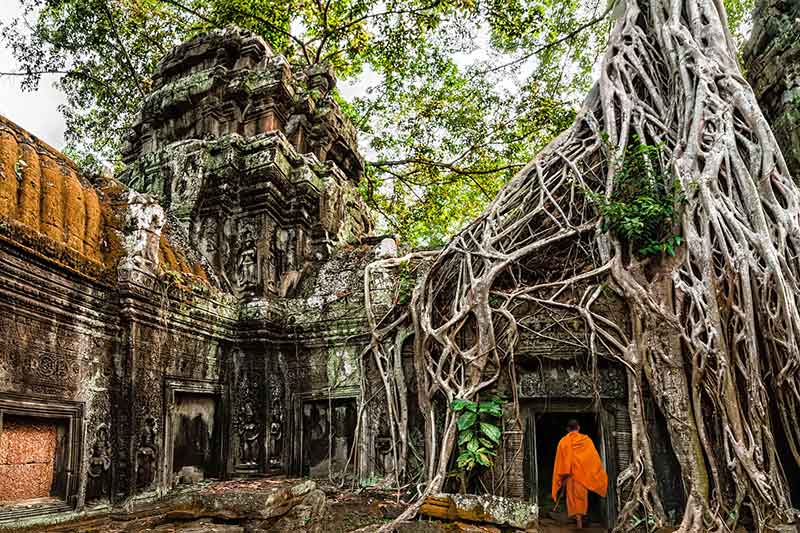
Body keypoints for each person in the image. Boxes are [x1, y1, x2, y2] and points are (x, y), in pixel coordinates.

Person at [552, 419, 608, 529]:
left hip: (570, 476)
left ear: (568, 429)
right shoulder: (586, 441)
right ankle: (580, 521)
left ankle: (578, 521)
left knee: (572, 498)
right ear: (578, 427)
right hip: (582, 475)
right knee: (581, 498)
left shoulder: (563, 441)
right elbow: (593, 459)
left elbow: (560, 461)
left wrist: (561, 477)